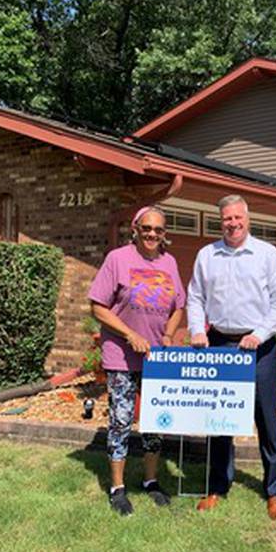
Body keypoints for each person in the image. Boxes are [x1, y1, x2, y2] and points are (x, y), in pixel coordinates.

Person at [187, 194, 276, 520]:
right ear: (222, 221)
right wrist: (196, 329)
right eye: (227, 219)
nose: (233, 224)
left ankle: (274, 491)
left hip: (258, 347)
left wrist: (259, 333)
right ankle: (218, 486)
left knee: (266, 421)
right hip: (218, 344)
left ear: (248, 219)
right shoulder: (207, 255)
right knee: (219, 421)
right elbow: (194, 297)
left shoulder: (267, 254)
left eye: (238, 218)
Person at [88, 205, 185, 517]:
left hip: (157, 358)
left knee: (156, 422)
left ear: (164, 233)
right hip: (122, 356)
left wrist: (168, 335)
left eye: (158, 229)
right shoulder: (118, 259)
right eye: (147, 228)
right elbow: (98, 307)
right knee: (120, 420)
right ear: (136, 229)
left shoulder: (169, 263)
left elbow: (179, 306)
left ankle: (151, 481)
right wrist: (130, 334)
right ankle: (117, 488)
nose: (152, 234)